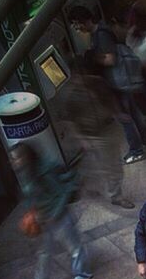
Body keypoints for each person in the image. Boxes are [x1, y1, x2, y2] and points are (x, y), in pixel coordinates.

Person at [67, 5, 146, 164]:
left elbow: (110, 59)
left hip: (116, 82)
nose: (76, 28)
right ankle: (145, 140)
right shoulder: (101, 31)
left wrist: (91, 57)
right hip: (121, 80)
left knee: (124, 117)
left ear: (82, 21)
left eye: (75, 23)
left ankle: (136, 150)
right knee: (133, 112)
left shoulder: (101, 35)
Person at [10, 143, 93, 279]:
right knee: (43, 252)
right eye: (14, 159)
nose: (15, 162)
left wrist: (54, 213)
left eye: (18, 158)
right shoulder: (26, 172)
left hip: (58, 216)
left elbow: (61, 193)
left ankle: (83, 273)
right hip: (43, 218)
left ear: (27, 156)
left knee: (74, 247)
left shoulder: (44, 171)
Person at [56, 64, 135, 209]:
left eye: (83, 75)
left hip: (106, 129)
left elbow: (110, 98)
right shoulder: (69, 95)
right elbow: (69, 120)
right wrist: (81, 138)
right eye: (77, 77)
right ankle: (106, 192)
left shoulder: (97, 82)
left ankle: (115, 195)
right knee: (100, 166)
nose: (81, 80)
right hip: (90, 134)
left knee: (113, 165)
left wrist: (117, 113)